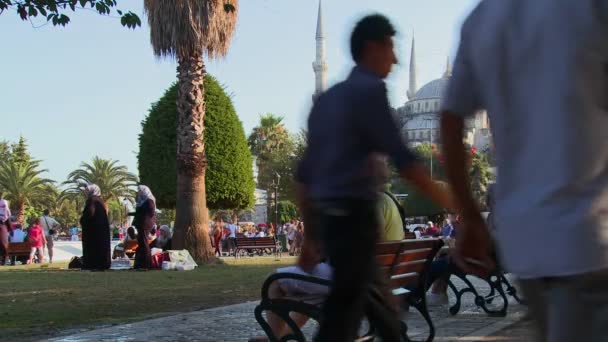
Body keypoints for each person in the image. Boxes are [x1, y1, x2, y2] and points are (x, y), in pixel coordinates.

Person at [439, 1, 608, 341]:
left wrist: (470, 216)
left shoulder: (483, 19)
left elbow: (450, 119)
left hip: (527, 245)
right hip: (591, 238)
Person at [296, 14, 454, 341]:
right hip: (355, 221)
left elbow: (304, 177)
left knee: (376, 307)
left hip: (333, 225)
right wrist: (454, 201)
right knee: (346, 313)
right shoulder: (369, 91)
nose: (395, 59)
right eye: (390, 49)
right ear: (372, 48)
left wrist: (312, 234)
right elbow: (405, 160)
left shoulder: (326, 100)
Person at [79, 184, 111, 270]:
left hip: (93, 230)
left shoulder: (92, 200)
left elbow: (90, 213)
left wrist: (82, 219)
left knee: (92, 247)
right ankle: (102, 264)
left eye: (87, 191)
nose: (86, 192)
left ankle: (92, 264)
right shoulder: (100, 201)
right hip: (101, 229)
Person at [133, 185, 156, 270]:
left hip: (145, 225)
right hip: (142, 224)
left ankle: (146, 265)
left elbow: (151, 213)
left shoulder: (149, 201)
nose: (138, 193)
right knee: (142, 244)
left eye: (140, 191)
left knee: (144, 244)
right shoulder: (143, 201)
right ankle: (140, 264)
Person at [0, 194, 11, 265]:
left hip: (3, 223)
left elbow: (8, 213)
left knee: (4, 242)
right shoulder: (4, 202)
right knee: (5, 242)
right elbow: (8, 213)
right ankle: (6, 258)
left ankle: (7, 257)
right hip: (3, 223)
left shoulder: (4, 202)